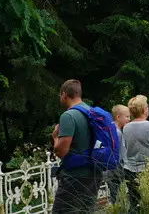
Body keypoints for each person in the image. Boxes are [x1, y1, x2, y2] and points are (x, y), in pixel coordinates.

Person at [51, 79, 100, 214]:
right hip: (94, 173)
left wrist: (55, 138)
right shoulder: (91, 112)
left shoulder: (69, 115)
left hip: (75, 176)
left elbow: (61, 151)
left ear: (64, 94)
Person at [122, 95, 149, 210]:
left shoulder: (126, 127)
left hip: (130, 169)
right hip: (147, 170)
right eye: (147, 106)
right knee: (148, 204)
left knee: (134, 202)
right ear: (144, 109)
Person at [106, 105, 130, 205]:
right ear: (118, 117)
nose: (129, 119)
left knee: (113, 195)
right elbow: (120, 153)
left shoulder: (109, 129)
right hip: (116, 169)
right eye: (127, 116)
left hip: (109, 169)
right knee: (117, 197)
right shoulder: (117, 133)